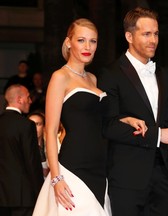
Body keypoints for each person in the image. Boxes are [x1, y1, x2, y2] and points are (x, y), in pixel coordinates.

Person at [98, 7, 168, 216]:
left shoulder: (162, 74)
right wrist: (158, 135)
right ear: (129, 36)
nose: (153, 40)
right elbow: (109, 126)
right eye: (146, 34)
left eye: (155, 34)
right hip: (128, 177)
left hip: (165, 176)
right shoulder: (110, 74)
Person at [32, 18, 113, 216]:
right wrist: (56, 179)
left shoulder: (92, 78)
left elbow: (99, 121)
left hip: (100, 169)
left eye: (93, 41)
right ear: (68, 42)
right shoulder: (60, 77)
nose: (88, 46)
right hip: (72, 169)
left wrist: (128, 120)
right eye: (81, 40)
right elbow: (50, 132)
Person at [0, 84, 43, 216]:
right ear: (19, 99)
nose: (30, 101)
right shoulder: (25, 125)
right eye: (28, 97)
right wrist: (40, 192)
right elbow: (31, 162)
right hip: (22, 196)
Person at [28, 111, 50, 178]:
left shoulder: (52, 144)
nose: (34, 128)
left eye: (37, 124)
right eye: (31, 125)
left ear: (44, 127)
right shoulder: (24, 146)